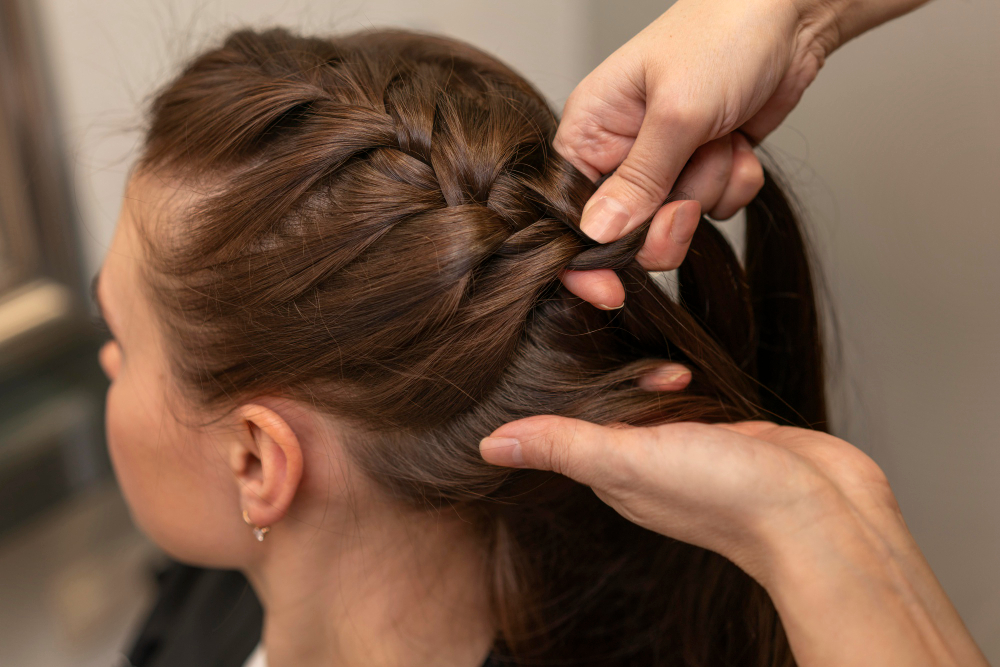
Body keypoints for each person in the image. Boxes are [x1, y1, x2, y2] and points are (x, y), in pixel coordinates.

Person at [95, 5, 987, 667]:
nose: (107, 361)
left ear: (258, 460)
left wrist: (821, 520)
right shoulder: (208, 602)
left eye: (121, 339)